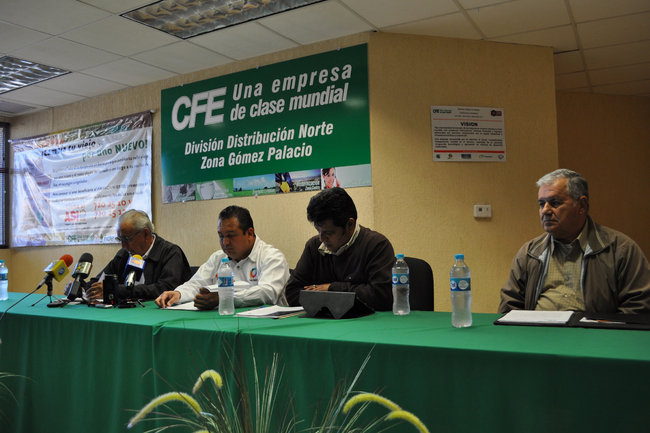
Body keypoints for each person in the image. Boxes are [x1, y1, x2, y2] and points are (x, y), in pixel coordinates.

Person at [499, 169, 650, 314]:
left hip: (594, 331)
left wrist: (603, 329)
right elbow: (510, 308)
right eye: (541, 204)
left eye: (555, 203)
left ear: (581, 206)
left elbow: (638, 307)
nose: (545, 210)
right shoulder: (529, 253)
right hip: (538, 330)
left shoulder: (620, 249)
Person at [156, 205, 289, 310]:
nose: (225, 242)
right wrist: (178, 294)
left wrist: (224, 298)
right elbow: (196, 284)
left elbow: (268, 293)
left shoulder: (272, 257)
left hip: (265, 326)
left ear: (249, 234)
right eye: (221, 236)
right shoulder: (218, 258)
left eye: (231, 236)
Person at [285, 187, 395, 311]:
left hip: (367, 322)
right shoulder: (314, 246)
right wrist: (341, 296)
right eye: (318, 231)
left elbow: (381, 297)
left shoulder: (377, 245)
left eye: (329, 232)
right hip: (321, 321)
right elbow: (292, 293)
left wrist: (331, 288)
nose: (321, 238)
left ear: (350, 225)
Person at [66, 209, 192, 302]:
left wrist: (117, 290)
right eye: (120, 239)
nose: (123, 246)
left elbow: (165, 288)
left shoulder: (171, 253)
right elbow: (100, 282)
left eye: (126, 239)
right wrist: (80, 287)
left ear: (146, 234)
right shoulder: (124, 254)